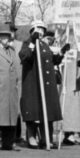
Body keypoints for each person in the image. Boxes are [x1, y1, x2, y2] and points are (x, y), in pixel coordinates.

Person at [19, 20, 67, 148]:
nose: (40, 32)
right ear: (32, 31)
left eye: (42, 30)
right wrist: (32, 44)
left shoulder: (45, 46)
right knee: (33, 111)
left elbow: (52, 61)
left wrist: (61, 54)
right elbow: (25, 57)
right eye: (37, 29)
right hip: (33, 83)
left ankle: (46, 138)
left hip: (46, 84)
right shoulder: (28, 43)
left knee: (47, 111)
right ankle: (31, 136)